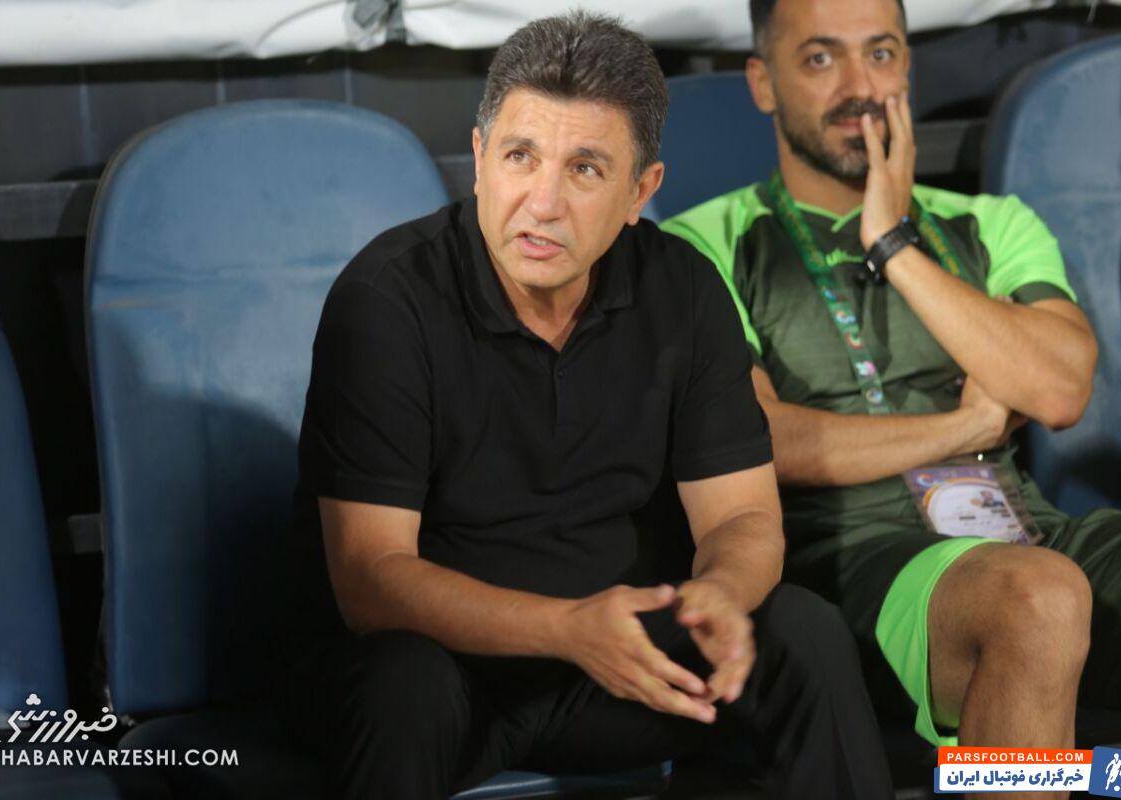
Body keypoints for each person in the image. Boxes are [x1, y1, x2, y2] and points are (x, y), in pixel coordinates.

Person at [283, 10, 895, 800]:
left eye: (584, 169)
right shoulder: (388, 298)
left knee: (800, 631)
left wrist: (719, 595)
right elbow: (372, 581)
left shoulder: (682, 288)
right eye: (520, 156)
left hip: (623, 664)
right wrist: (567, 630)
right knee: (402, 680)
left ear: (641, 191)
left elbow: (744, 519)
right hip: (446, 676)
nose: (542, 203)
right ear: (479, 159)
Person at [662, 0, 1121, 787]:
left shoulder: (989, 222)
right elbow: (761, 439)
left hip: (1023, 528)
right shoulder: (702, 242)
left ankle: (1070, 775)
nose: (861, 86)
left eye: (881, 54)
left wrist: (893, 242)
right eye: (821, 59)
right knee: (1038, 599)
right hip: (849, 560)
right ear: (763, 82)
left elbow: (1059, 391)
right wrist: (967, 425)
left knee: (1043, 587)